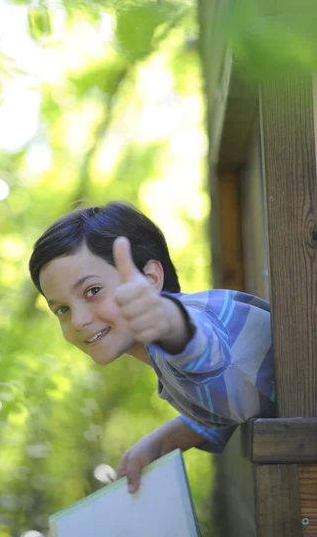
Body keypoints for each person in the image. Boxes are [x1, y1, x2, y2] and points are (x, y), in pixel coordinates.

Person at [29, 201, 274, 494]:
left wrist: (167, 320)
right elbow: (235, 391)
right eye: (62, 310)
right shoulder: (175, 365)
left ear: (150, 279)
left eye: (93, 291)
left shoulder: (194, 321)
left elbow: (200, 346)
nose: (79, 320)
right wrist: (163, 440)